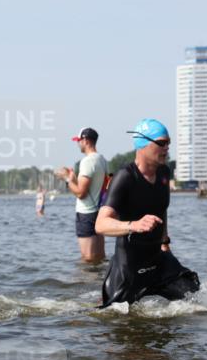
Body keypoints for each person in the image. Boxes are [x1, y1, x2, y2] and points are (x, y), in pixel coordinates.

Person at [95, 119, 200, 307]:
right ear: (142, 144)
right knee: (115, 316)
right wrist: (133, 225)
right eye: (161, 143)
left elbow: (161, 209)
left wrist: (165, 242)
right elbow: (101, 224)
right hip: (130, 264)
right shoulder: (125, 177)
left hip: (157, 258)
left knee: (195, 298)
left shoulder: (164, 173)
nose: (167, 147)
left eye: (168, 143)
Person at [63, 127, 108, 262]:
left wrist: (67, 179)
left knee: (87, 259)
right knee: (99, 257)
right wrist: (73, 178)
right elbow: (92, 186)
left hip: (86, 214)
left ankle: (86, 283)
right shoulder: (102, 159)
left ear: (86, 140)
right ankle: (100, 282)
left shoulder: (87, 161)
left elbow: (81, 193)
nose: (78, 144)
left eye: (79, 141)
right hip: (99, 212)